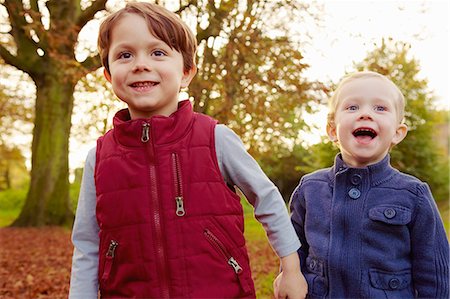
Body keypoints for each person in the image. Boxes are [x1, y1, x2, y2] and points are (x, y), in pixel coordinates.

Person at [68, 2, 307, 298]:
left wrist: (291, 268)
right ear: (108, 74)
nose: (140, 64)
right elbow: (87, 243)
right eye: (125, 55)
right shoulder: (100, 156)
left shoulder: (215, 138)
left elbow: (268, 199)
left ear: (186, 72)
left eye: (157, 52)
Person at [275, 71, 449, 298]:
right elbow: (294, 247)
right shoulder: (310, 189)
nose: (365, 114)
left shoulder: (413, 194)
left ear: (398, 133)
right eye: (352, 107)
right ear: (332, 130)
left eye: (380, 108)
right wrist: (289, 275)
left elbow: (434, 273)